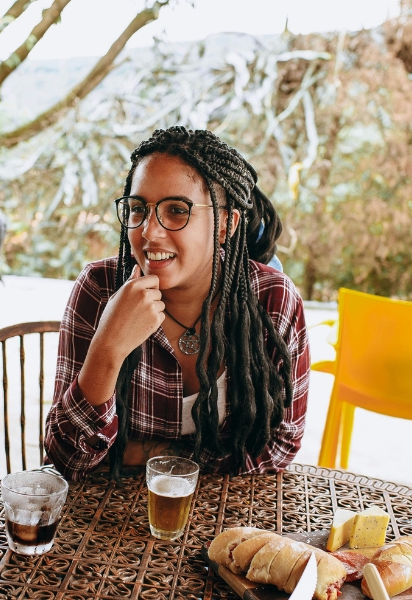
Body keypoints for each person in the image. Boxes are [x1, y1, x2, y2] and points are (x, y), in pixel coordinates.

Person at [45, 126, 310, 481]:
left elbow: (279, 446)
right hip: (110, 516)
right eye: (139, 209)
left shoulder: (273, 300)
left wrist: (150, 454)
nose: (149, 232)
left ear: (224, 226)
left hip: (230, 514)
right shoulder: (99, 289)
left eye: (176, 210)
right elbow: (67, 457)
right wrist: (108, 349)